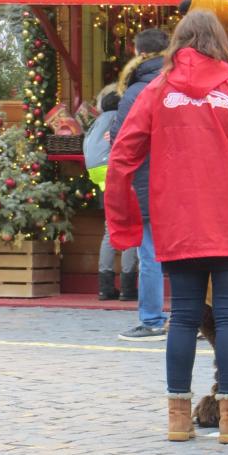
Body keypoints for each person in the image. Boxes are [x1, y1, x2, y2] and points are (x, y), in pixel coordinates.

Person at [105, 10, 228, 444]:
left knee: (182, 318)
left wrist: (123, 225)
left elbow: (122, 157)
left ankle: (178, 418)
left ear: (178, 42)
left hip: (178, 223)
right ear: (222, 42)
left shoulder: (156, 92)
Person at [110, 28, 169, 340]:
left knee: (150, 254)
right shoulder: (179, 83)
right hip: (181, 182)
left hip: (147, 180)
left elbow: (123, 144)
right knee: (196, 253)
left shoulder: (134, 93)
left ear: (138, 53)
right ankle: (199, 317)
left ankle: (152, 319)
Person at [86, 86, 138, 301]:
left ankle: (105, 287)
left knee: (110, 229)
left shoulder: (96, 123)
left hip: (99, 177)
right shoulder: (120, 118)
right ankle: (128, 287)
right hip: (119, 174)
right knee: (132, 229)